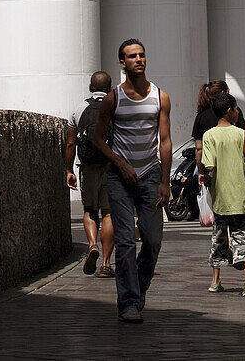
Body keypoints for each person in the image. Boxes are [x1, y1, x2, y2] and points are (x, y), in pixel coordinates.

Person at [93, 39, 172, 324]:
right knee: (125, 241)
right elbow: (97, 139)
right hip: (120, 177)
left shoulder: (160, 96)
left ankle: (138, 288)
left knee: (152, 241)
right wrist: (120, 163)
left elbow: (165, 141)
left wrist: (165, 180)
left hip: (151, 174)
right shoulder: (113, 98)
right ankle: (127, 301)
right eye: (131, 56)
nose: (138, 59)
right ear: (122, 63)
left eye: (141, 54)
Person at [201, 92, 245, 297]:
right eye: (236, 109)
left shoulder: (210, 135)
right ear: (229, 111)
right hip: (241, 195)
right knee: (244, 237)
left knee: (219, 239)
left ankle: (215, 280)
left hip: (221, 197)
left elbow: (209, 166)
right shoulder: (242, 134)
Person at [65, 71, 115, 278]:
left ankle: (92, 244)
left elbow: (70, 142)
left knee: (89, 210)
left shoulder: (79, 108)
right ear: (110, 88)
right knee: (109, 213)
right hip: (111, 166)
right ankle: (105, 264)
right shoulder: (116, 107)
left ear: (90, 87)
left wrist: (68, 170)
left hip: (87, 166)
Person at [193, 80, 245, 185]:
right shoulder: (234, 112)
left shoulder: (202, 115)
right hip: (235, 171)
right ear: (223, 93)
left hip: (211, 173)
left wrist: (201, 172)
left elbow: (199, 148)